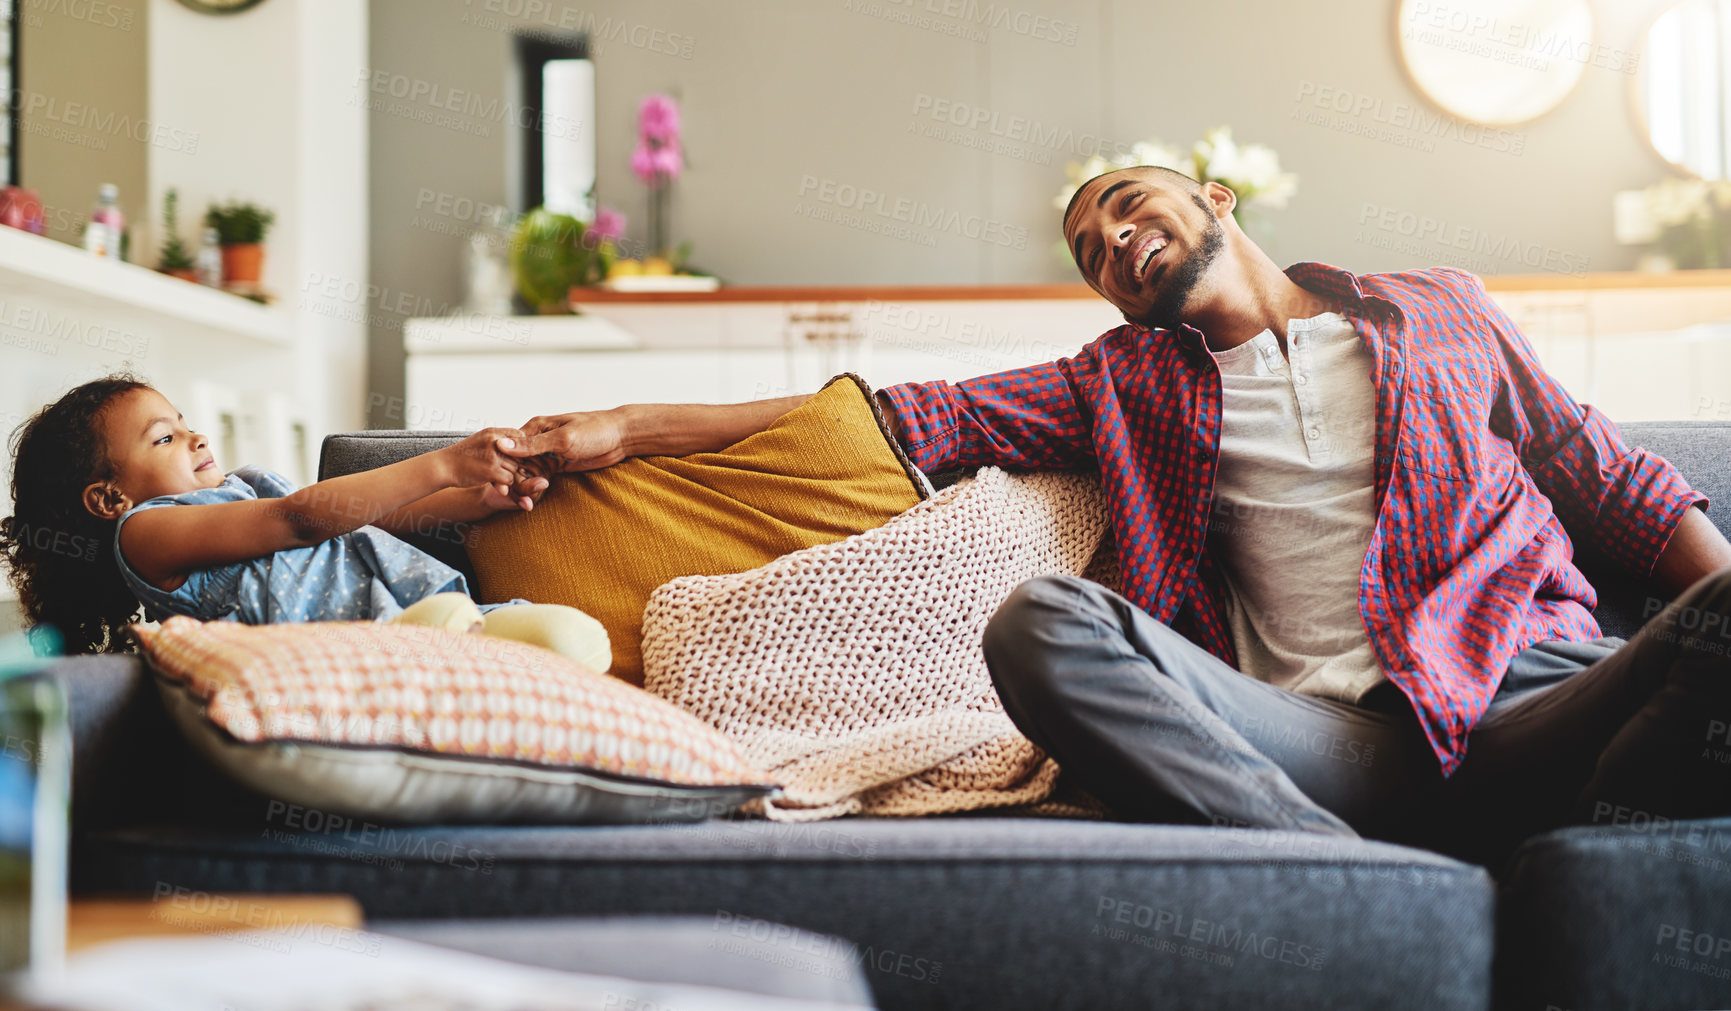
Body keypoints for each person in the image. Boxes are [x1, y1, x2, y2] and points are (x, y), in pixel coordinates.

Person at [509, 166, 1731, 862]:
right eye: (1090, 250)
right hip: (1328, 750)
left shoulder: (1438, 309)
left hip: (1535, 691)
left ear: (1214, 194)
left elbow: (1618, 484)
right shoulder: (1118, 382)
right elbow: (891, 414)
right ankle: (1344, 873)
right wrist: (626, 424)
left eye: (1129, 208)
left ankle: (1514, 820)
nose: (1115, 244)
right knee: (1041, 626)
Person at [0, 376, 609, 671]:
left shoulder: (240, 489)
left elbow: (369, 516)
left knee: (566, 642)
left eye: (184, 421)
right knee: (441, 637)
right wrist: (442, 462)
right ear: (109, 499)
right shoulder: (145, 534)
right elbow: (298, 521)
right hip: (349, 649)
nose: (195, 436)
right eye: (165, 437)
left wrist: (472, 498)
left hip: (424, 602)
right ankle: (434, 652)